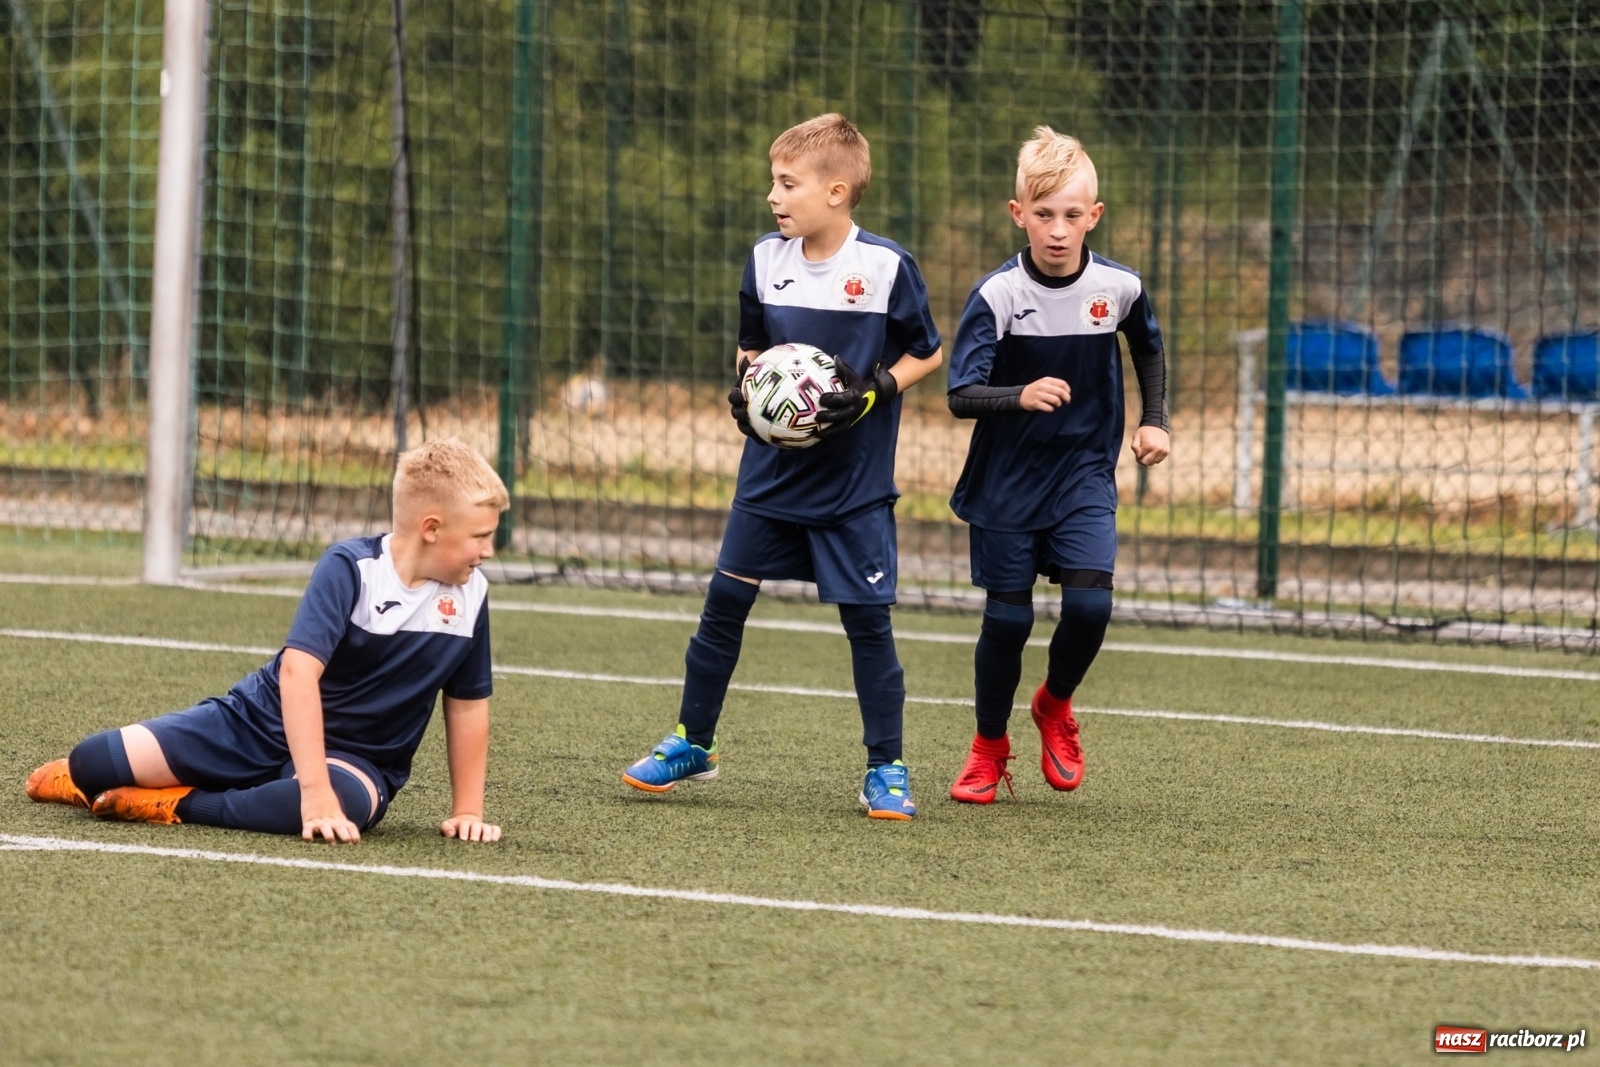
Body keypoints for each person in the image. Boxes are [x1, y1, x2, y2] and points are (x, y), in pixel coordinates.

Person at [621, 113, 943, 819]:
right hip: (768, 479)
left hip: (853, 488)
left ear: (837, 192)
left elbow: (927, 352)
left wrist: (874, 390)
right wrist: (748, 394)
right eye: (774, 180)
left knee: (868, 625)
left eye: (788, 183)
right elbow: (750, 349)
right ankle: (691, 739)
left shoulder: (885, 267)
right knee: (724, 605)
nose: (774, 195)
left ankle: (886, 766)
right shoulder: (766, 260)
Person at [26, 437, 508, 844]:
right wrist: (311, 790)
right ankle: (83, 782)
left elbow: (467, 703)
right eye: (481, 537)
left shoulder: (472, 595)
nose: (488, 551)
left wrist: (468, 809)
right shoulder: (351, 569)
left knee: (332, 807)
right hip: (257, 723)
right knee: (95, 760)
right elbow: (298, 673)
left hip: (358, 760)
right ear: (431, 529)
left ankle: (175, 803)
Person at [944, 126, 1171, 804]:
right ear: (1019, 214)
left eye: (1072, 214)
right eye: (1043, 214)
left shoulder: (1120, 288)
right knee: (1008, 622)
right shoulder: (997, 296)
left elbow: (1149, 349)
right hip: (1007, 479)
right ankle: (988, 746)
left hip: (1082, 472)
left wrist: (1153, 418)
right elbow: (961, 393)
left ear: (1094, 216)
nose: (1058, 229)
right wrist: (1020, 395)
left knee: (1091, 606)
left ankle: (1054, 702)